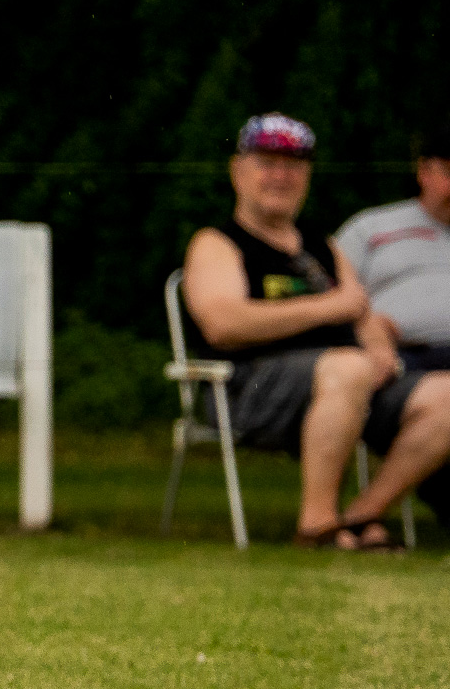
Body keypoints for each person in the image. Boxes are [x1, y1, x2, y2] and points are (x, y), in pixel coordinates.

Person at [182, 113, 450, 549]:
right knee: (347, 367)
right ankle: (318, 524)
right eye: (266, 164)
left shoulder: (320, 246)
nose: (280, 176)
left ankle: (364, 515)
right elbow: (222, 324)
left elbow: (360, 312)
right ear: (238, 171)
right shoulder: (217, 244)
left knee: (444, 395)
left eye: (293, 166)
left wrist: (380, 349)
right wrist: (328, 308)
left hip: (347, 383)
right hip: (248, 390)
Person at [335, 127, 450, 371]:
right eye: (449, 171)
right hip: (400, 359)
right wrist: (369, 330)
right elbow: (330, 295)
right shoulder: (370, 228)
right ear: (424, 172)